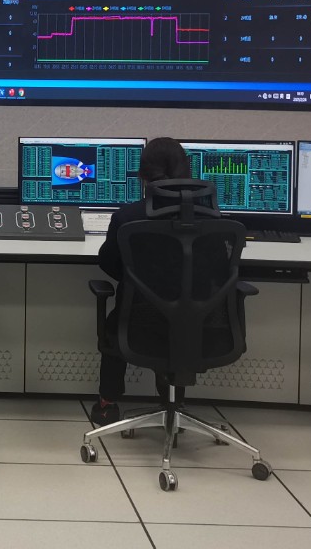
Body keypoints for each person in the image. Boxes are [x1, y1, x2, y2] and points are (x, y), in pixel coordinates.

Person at [91, 136, 192, 427]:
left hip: (136, 324)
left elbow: (108, 263)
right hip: (197, 325)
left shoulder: (127, 217)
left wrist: (140, 281)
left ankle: (108, 403)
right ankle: (174, 403)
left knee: (119, 318)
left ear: (143, 175)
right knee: (178, 324)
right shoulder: (209, 215)